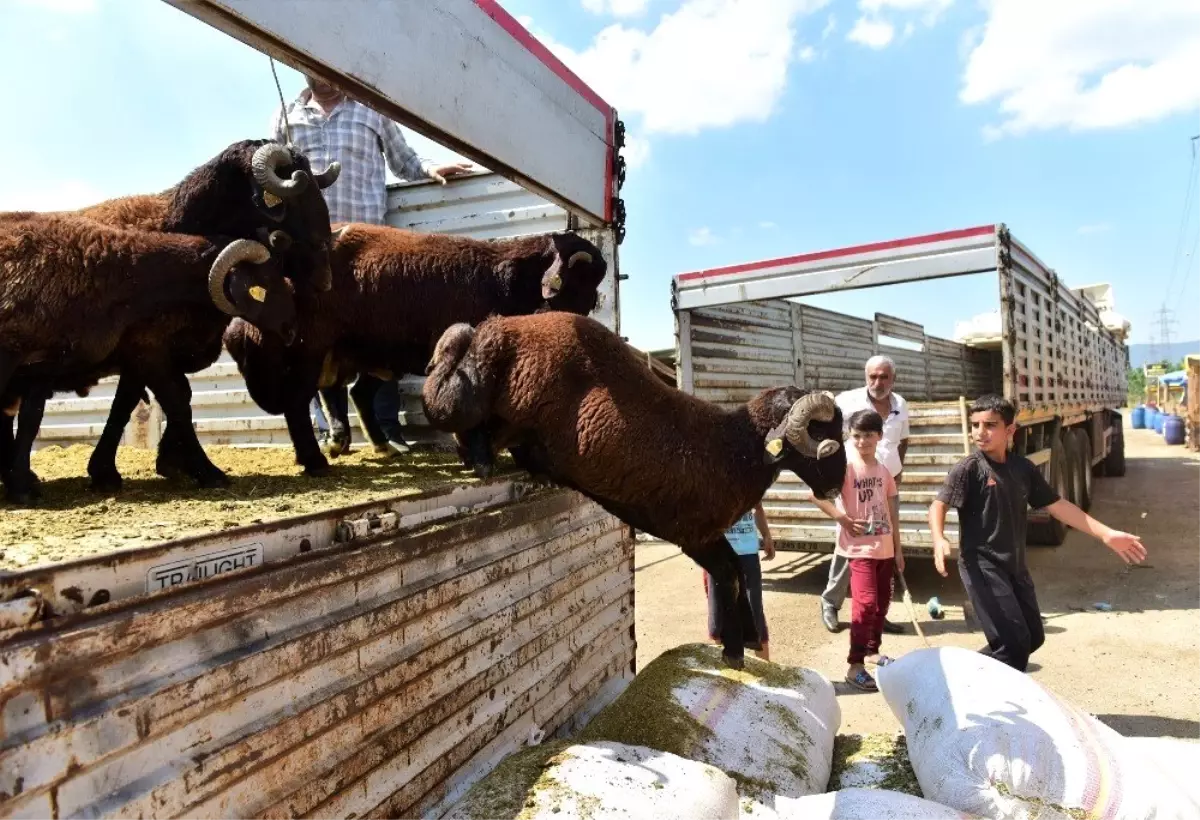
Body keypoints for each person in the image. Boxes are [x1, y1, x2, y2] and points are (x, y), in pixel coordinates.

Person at [273, 72, 473, 453]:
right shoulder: (286, 114)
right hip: (314, 251)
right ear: (298, 65)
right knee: (321, 334)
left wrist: (431, 169)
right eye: (310, 64)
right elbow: (275, 176)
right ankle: (335, 431)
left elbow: (405, 160)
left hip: (370, 250)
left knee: (384, 336)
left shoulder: (371, 107)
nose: (320, 73)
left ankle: (386, 430)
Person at [928, 394, 1148, 672]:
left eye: (990, 425)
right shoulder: (969, 469)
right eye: (975, 425)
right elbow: (939, 504)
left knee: (1032, 636)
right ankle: (994, 709)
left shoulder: (1022, 468)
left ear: (1010, 430)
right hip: (982, 566)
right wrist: (939, 539)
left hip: (1015, 567)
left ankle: (961, 672)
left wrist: (1106, 534)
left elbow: (1057, 505)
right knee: (1014, 648)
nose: (980, 432)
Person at [811, 409, 902, 691]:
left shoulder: (884, 470)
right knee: (865, 606)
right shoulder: (845, 467)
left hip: (884, 548)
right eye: (857, 436)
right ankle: (855, 666)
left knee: (882, 604)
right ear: (850, 437)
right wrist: (843, 519)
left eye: (868, 436)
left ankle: (873, 651)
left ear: (879, 436)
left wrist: (898, 550)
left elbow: (892, 511)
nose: (862, 441)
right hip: (858, 549)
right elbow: (816, 494)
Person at [820, 355, 909, 635]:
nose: (877, 382)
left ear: (892, 379)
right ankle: (830, 603)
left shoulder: (901, 405)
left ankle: (879, 614)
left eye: (883, 377)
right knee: (849, 542)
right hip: (852, 483)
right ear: (865, 376)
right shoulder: (847, 401)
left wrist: (896, 472)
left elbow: (903, 440)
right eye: (872, 376)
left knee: (884, 545)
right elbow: (825, 426)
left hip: (885, 482)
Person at [704, 501, 776, 661]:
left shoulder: (751, 476)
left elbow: (757, 506)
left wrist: (766, 535)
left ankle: (767, 670)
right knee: (719, 612)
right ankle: (722, 673)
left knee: (754, 611)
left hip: (748, 552)